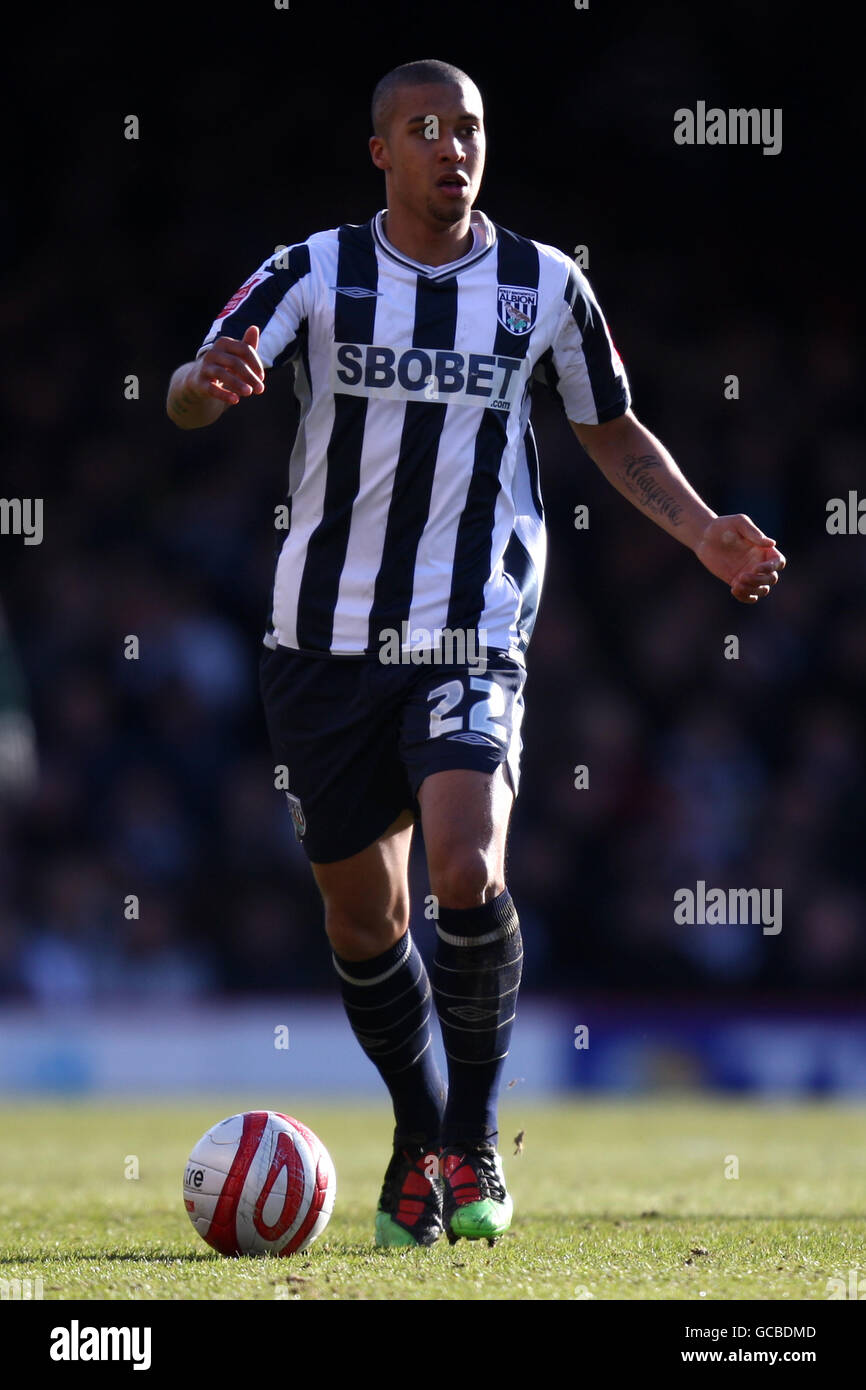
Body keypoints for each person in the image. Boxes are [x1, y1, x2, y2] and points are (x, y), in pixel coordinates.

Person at [166, 58, 785, 1248]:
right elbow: (194, 388)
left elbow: (607, 427)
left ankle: (472, 1144)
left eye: (469, 129)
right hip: (320, 643)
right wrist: (209, 382)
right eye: (423, 129)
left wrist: (705, 531)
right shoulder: (314, 269)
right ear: (379, 153)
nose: (452, 147)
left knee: (464, 865)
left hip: (470, 631)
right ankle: (418, 1129)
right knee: (361, 921)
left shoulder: (544, 285)